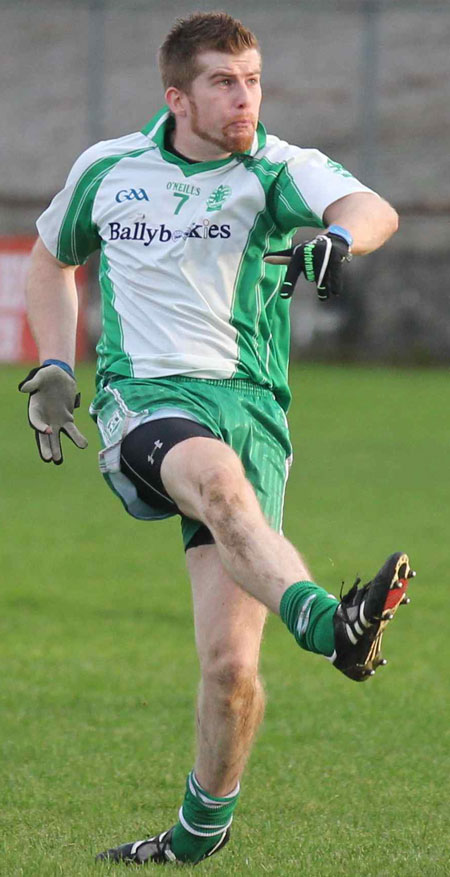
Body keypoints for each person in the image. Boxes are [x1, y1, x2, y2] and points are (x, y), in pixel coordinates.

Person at [19, 12, 415, 867]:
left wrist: (339, 236)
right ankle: (329, 624)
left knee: (232, 670)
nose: (247, 99)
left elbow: (369, 206)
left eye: (255, 80)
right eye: (225, 84)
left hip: (253, 414)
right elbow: (51, 261)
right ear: (178, 97)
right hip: (146, 401)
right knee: (215, 479)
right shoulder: (110, 168)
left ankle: (194, 836)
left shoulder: (275, 168)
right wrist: (54, 363)